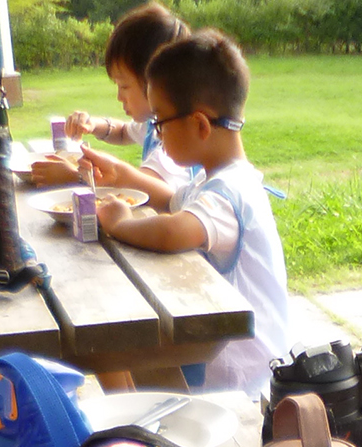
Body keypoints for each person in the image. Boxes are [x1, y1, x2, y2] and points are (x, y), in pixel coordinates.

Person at [95, 31, 287, 397]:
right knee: (118, 340)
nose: (156, 133)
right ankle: (145, 417)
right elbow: (171, 199)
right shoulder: (215, 181)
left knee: (109, 340)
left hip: (240, 373)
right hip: (219, 348)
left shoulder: (229, 194)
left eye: (160, 122)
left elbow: (174, 231)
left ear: (200, 125)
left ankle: (145, 421)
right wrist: (119, 174)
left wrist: (120, 223)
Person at [29, 3, 193, 206]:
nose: (119, 96)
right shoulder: (155, 124)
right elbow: (123, 132)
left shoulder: (176, 142)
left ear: (157, 84)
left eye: (124, 86)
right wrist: (93, 124)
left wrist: (76, 176)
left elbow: (155, 194)